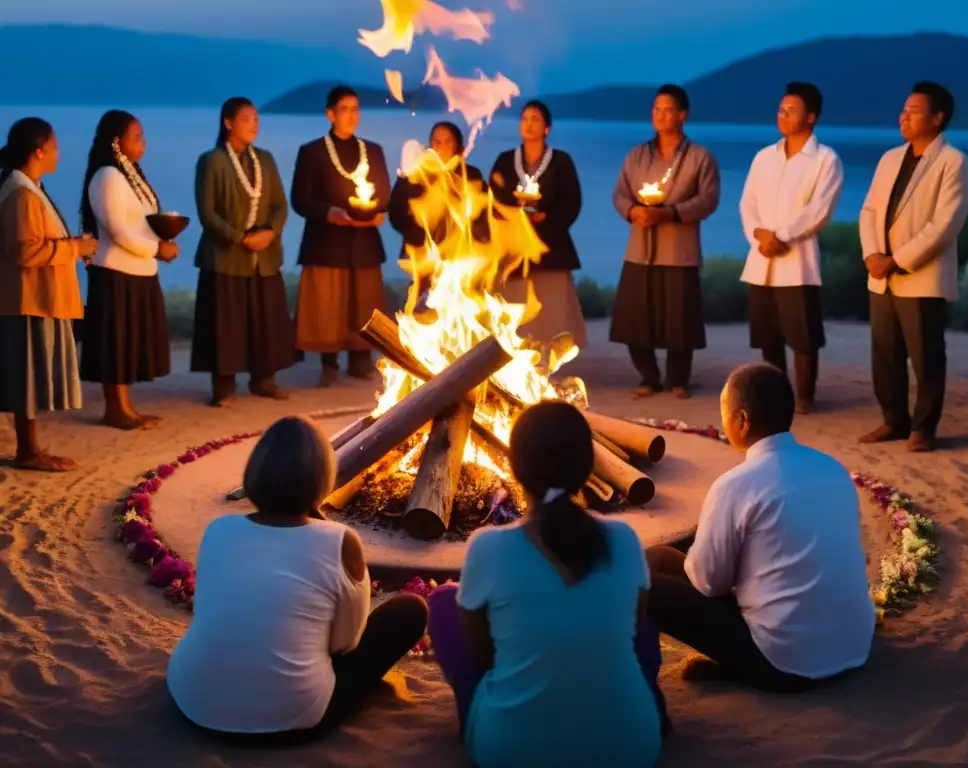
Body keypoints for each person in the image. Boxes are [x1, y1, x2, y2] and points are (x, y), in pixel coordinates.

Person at [428, 401, 666, 768]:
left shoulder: (488, 548)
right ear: (587, 469)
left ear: (514, 468)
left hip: (511, 752)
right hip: (630, 748)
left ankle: (495, 719)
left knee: (443, 602)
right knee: (635, 624)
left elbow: (482, 656)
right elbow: (634, 631)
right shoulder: (624, 540)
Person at [167, 415, 428, 744]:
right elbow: (346, 644)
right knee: (409, 611)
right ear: (322, 477)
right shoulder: (339, 541)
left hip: (194, 701)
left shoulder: (218, 530)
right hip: (292, 717)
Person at [646, 363, 876, 691]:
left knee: (645, 586)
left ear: (742, 419)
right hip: (852, 648)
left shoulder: (736, 485)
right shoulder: (832, 467)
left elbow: (709, 583)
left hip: (786, 663)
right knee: (657, 558)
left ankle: (638, 680)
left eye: (723, 410)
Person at [858, 82, 968, 452]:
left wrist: (896, 260)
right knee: (885, 354)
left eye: (913, 110)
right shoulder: (890, 158)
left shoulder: (954, 162)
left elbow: (944, 226)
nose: (903, 116)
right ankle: (894, 421)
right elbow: (869, 211)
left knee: (926, 356)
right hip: (881, 276)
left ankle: (923, 427)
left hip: (921, 277)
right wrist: (872, 256)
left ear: (938, 118)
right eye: (903, 109)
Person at [739, 82, 843, 414]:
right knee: (767, 335)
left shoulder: (825, 160)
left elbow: (819, 210)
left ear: (811, 117)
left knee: (804, 336)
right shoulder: (764, 157)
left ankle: (805, 398)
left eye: (791, 110)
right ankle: (776, 394)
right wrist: (759, 235)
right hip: (761, 259)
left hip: (797, 261)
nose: (782, 115)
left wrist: (780, 235)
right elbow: (747, 203)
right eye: (781, 109)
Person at [610, 84, 720, 399]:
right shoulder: (637, 155)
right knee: (634, 317)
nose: (660, 115)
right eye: (656, 109)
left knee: (679, 318)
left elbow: (708, 200)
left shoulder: (700, 157)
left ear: (682, 115)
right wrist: (632, 211)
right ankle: (648, 377)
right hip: (639, 248)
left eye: (667, 109)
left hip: (679, 251)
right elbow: (619, 193)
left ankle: (677, 380)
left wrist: (670, 214)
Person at [0, 118, 97, 471]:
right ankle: (28, 451)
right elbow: (25, 251)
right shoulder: (21, 194)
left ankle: (31, 448)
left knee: (28, 380)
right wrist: (75, 247)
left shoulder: (26, 187)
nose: (58, 153)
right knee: (25, 380)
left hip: (34, 298)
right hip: (28, 300)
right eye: (54, 146)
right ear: (38, 151)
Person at [190, 97, 294, 407]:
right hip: (226, 256)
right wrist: (239, 238)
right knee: (226, 322)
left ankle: (264, 379)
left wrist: (270, 233)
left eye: (256, 119)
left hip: (264, 254)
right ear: (228, 123)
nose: (254, 124)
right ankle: (223, 387)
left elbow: (280, 204)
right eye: (247, 119)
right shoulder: (212, 161)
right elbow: (207, 213)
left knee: (265, 319)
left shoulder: (265, 159)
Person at [79, 110, 178, 430]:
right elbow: (118, 232)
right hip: (116, 271)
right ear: (116, 142)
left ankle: (125, 406)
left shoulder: (130, 173)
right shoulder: (107, 176)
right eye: (137, 136)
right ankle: (115, 408)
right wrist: (157, 249)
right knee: (116, 342)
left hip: (139, 270)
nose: (144, 142)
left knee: (131, 341)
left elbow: (142, 221)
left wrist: (164, 239)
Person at [292, 85, 391, 386]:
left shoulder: (372, 151)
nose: (351, 115)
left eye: (355, 108)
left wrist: (376, 212)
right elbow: (300, 199)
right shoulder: (313, 151)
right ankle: (329, 363)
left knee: (363, 301)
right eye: (345, 109)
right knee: (328, 303)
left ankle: (360, 361)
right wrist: (330, 213)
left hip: (363, 241)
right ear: (330, 114)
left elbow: (385, 194)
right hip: (327, 242)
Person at [489, 100, 588, 362]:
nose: (529, 124)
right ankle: (515, 359)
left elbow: (572, 201)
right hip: (514, 246)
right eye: (524, 119)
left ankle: (550, 359)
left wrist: (547, 218)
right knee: (515, 306)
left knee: (550, 309)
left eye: (535, 119)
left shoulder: (561, 161)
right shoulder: (506, 159)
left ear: (547, 128)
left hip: (551, 244)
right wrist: (514, 216)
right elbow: (493, 198)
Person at [388, 120, 486, 305]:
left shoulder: (470, 176)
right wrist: (403, 179)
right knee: (420, 312)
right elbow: (396, 215)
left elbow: (483, 216)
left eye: (447, 141)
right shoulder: (417, 174)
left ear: (458, 147)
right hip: (423, 261)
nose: (440, 146)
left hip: (459, 263)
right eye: (436, 141)